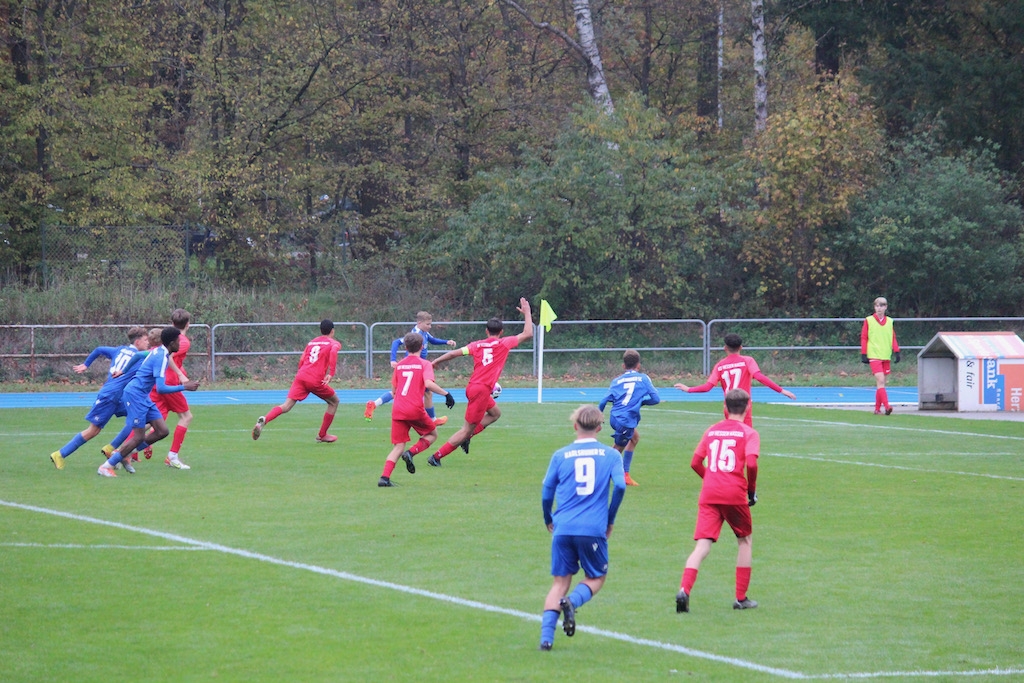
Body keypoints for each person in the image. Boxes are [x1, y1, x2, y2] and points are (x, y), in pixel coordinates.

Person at [538, 405, 626, 651]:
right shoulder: (611, 455)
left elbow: (546, 492)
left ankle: (546, 640)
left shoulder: (560, 455)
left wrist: (548, 518)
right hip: (592, 528)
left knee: (559, 583)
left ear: (575, 425)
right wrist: (610, 519)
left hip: (563, 527)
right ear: (599, 427)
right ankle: (573, 602)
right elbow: (620, 486)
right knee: (596, 577)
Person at [676, 389, 760, 613]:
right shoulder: (749, 433)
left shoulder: (712, 430)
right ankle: (740, 598)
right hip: (734, 493)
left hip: (709, 493)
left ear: (725, 408)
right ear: (748, 407)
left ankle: (684, 589)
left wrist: (711, 479)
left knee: (702, 545)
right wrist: (751, 490)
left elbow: (695, 462)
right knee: (744, 540)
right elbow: (752, 464)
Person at [425, 298, 533, 466]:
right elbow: (528, 334)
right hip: (481, 390)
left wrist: (436, 361)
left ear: (486, 331)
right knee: (465, 429)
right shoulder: (504, 343)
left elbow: (453, 354)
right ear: (501, 332)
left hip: (473, 388)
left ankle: (468, 436)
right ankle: (436, 457)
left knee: (495, 413)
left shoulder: (476, 345)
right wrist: (527, 313)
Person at [97, 327, 201, 477]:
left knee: (162, 431)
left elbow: (138, 355)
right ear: (172, 343)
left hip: (143, 396)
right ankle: (106, 466)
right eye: (178, 341)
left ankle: (125, 454)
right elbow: (161, 388)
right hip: (135, 395)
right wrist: (184, 387)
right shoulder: (161, 357)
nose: (180, 343)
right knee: (138, 436)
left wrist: (123, 371)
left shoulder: (159, 351)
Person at [49, 326, 150, 470]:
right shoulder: (139, 358)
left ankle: (112, 448)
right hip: (109, 396)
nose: (148, 343)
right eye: (146, 340)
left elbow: (98, 349)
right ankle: (59, 454)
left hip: (119, 397)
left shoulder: (120, 350)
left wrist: (86, 364)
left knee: (142, 416)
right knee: (93, 430)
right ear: (138, 342)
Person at [377, 333, 456, 487]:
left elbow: (394, 391)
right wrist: (446, 394)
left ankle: (384, 478)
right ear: (422, 346)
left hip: (398, 409)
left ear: (405, 348)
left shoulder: (399, 365)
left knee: (398, 446)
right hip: (414, 408)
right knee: (432, 434)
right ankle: (411, 453)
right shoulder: (424, 364)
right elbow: (428, 384)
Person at [252, 319, 342, 443]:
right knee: (334, 402)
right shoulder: (334, 343)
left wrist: (301, 374)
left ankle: (265, 419)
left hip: (301, 375)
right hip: (315, 379)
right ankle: (322, 435)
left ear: (321, 330)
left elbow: (302, 359)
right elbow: (333, 352)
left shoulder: (311, 342)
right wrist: (331, 373)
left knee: (286, 406)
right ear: (332, 331)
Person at [675, 333, 796, 425]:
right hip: (743, 404)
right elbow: (759, 377)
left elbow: (707, 387)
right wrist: (781, 390)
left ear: (725, 348)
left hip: (728, 406)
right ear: (741, 347)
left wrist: (689, 389)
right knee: (745, 437)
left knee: (733, 435)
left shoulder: (720, 365)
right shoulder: (748, 361)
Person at [364, 311, 457, 426]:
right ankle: (432, 420)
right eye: (427, 324)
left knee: (420, 392)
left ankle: (374, 404)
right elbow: (396, 342)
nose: (430, 326)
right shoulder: (416, 334)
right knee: (406, 392)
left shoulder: (424, 333)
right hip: (414, 367)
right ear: (419, 322)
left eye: (430, 324)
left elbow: (432, 340)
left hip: (416, 366)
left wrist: (446, 342)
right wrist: (393, 359)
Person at [598, 349, 661, 487]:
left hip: (615, 417)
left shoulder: (616, 380)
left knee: (634, 438)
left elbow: (603, 401)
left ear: (623, 366)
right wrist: (642, 402)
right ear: (638, 365)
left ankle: (625, 474)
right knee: (617, 450)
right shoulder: (643, 378)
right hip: (625, 421)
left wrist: (599, 416)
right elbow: (656, 399)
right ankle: (601, 474)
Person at [146, 308, 195, 469]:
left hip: (158, 380)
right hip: (169, 382)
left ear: (172, 323)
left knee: (155, 418)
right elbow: (169, 357)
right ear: (188, 324)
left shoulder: (167, 338)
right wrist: (181, 375)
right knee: (186, 417)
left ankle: (124, 449)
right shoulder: (182, 341)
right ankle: (172, 456)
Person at [860, 296, 900, 415]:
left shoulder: (890, 321)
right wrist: (864, 353)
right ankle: (887, 406)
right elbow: (864, 337)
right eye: (877, 306)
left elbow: (892, 337)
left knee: (881, 384)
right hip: (874, 355)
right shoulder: (869, 320)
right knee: (881, 380)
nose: (879, 308)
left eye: (881, 306)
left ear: (885, 307)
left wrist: (896, 351)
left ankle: (877, 409)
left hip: (885, 355)